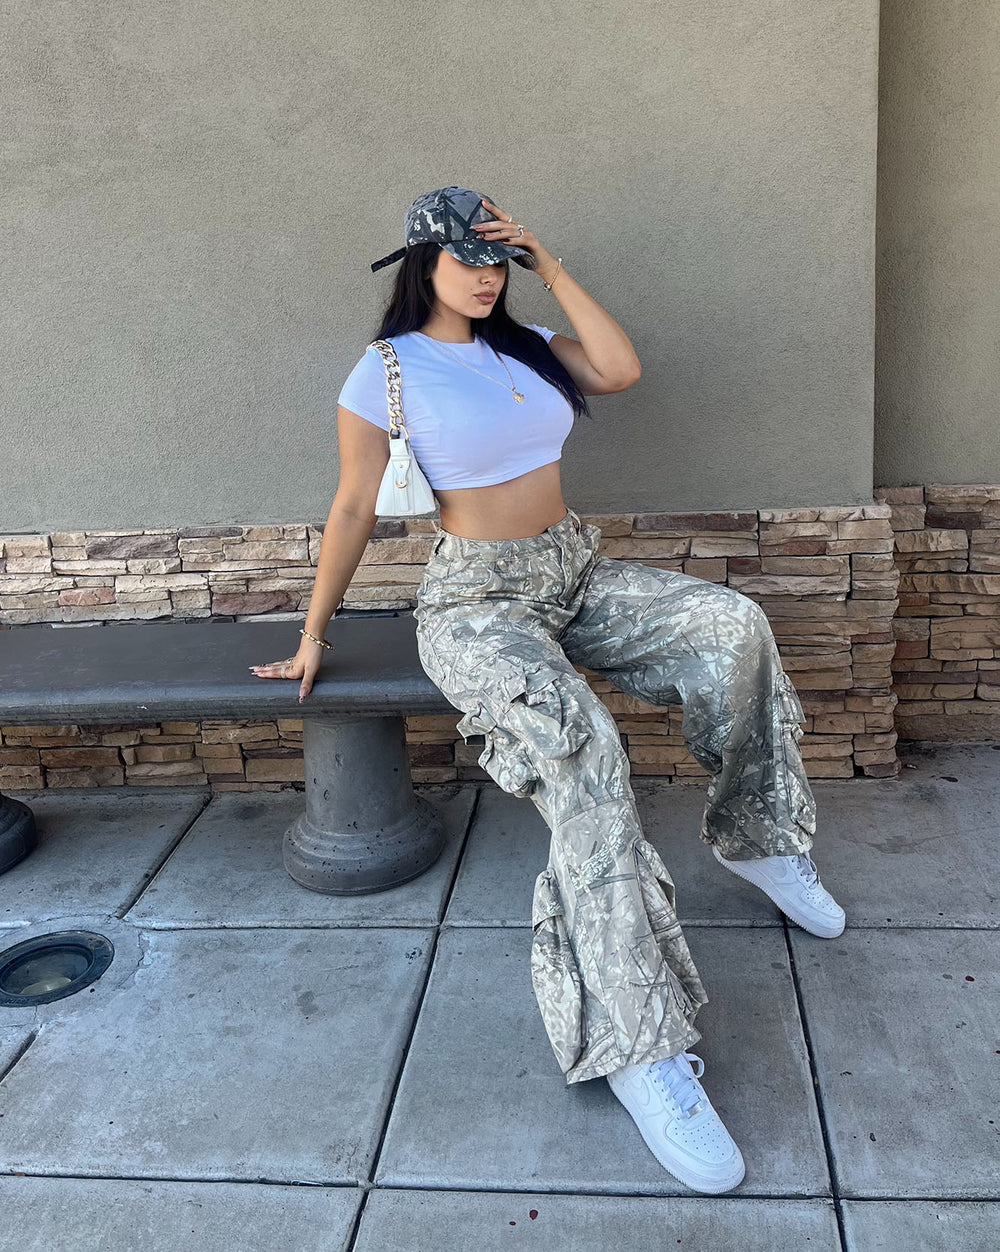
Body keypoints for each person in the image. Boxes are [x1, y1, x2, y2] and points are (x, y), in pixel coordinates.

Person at [249, 184, 846, 1196]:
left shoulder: (522, 348)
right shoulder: (385, 371)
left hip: (571, 570)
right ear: (420, 265)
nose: (483, 275)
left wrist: (552, 264)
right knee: (582, 752)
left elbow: (619, 368)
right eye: (465, 259)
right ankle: (638, 1044)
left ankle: (759, 842)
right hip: (476, 601)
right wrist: (315, 632)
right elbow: (353, 502)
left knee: (730, 626)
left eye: (497, 259)